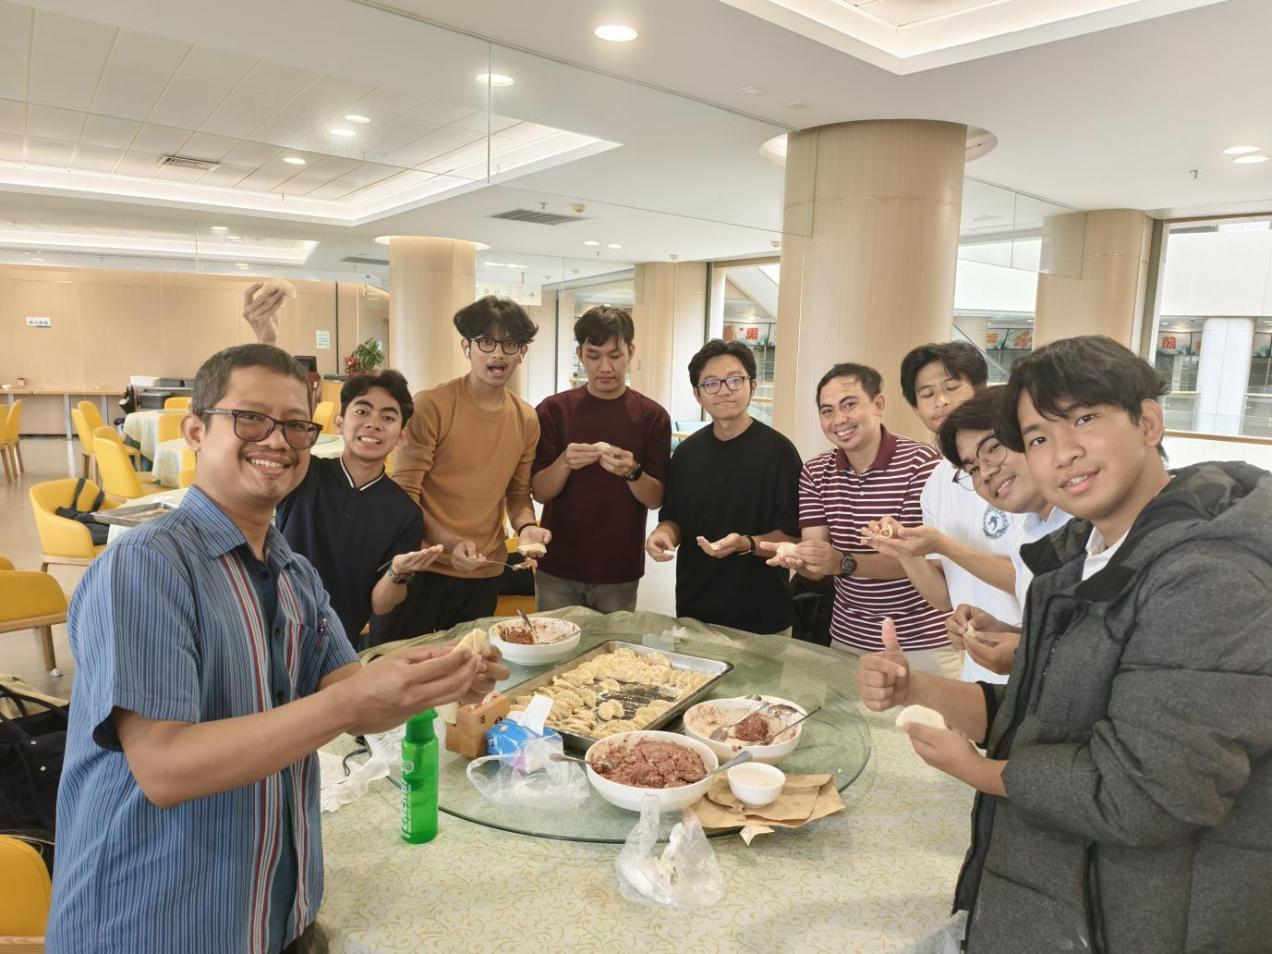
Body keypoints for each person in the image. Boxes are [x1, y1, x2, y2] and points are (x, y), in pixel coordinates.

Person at [47, 343, 507, 954]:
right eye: (250, 418)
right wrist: (350, 703)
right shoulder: (148, 564)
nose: (277, 440)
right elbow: (163, 765)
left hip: (271, 914)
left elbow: (351, 695)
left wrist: (436, 678)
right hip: (154, 922)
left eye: (294, 425)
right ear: (195, 431)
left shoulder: (295, 575)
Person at [856, 335, 1272, 952]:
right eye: (1039, 438)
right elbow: (1043, 715)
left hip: (1145, 917)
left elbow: (1143, 793)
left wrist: (982, 772)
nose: (1063, 452)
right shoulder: (1082, 554)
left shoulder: (1210, 577)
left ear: (1148, 422)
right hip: (1057, 896)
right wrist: (915, 688)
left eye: (1084, 420)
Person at [243, 285, 441, 646]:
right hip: (266, 626)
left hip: (335, 643)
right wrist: (266, 341)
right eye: (362, 411)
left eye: (388, 417)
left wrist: (397, 573)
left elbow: (381, 605)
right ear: (339, 423)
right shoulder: (306, 472)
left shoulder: (405, 513)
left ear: (401, 436)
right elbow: (273, 414)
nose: (373, 424)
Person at [768, 363, 958, 676]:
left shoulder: (923, 464)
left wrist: (842, 562)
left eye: (849, 405)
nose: (838, 419)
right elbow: (819, 561)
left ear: (878, 404)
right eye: (827, 411)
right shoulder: (815, 472)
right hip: (848, 639)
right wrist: (800, 560)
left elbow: (918, 559)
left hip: (924, 644)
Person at [378, 296, 550, 638]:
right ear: (467, 347)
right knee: (402, 665)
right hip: (421, 567)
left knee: (467, 666)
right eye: (486, 342)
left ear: (522, 353)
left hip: (483, 572)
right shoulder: (432, 405)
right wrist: (450, 543)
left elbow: (517, 494)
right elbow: (403, 493)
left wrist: (527, 527)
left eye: (509, 344)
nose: (498, 354)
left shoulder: (526, 418)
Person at [863, 342, 1020, 684]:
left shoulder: (1014, 468)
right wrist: (905, 552)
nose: (941, 401)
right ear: (915, 407)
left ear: (980, 389)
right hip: (977, 666)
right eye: (927, 394)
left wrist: (945, 545)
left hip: (1028, 659)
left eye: (951, 387)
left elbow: (1034, 578)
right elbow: (942, 597)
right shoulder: (936, 482)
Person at [646, 339, 800, 634]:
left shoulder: (780, 453)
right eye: (711, 383)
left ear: (752, 385)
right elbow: (673, 518)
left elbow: (792, 536)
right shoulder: (686, 453)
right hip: (695, 611)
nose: (724, 390)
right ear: (698, 394)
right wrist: (663, 534)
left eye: (734, 380)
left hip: (763, 616)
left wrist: (745, 544)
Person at [531, 305, 670, 612]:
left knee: (614, 643)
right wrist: (564, 462)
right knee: (555, 641)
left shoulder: (652, 416)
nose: (605, 367)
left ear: (630, 351)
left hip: (619, 568)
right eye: (594, 356)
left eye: (615, 355)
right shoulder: (553, 411)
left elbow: (655, 499)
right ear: (580, 355)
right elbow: (540, 492)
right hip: (557, 565)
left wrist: (632, 471)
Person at [934, 386, 1071, 676]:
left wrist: (1025, 655)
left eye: (993, 447)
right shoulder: (1027, 533)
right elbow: (1066, 636)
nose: (985, 472)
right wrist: (1004, 632)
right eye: (972, 469)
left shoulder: (1092, 524)